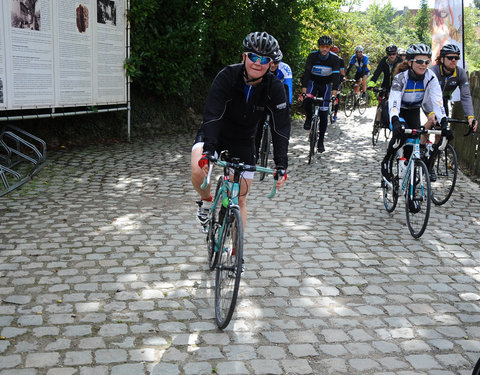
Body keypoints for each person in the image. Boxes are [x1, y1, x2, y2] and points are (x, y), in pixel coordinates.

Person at [191, 31, 289, 233]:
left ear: (271, 63)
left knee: (241, 199)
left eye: (264, 59)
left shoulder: (274, 87)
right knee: (198, 169)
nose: (257, 63)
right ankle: (206, 201)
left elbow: (280, 128)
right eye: (253, 56)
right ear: (244, 56)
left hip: (245, 139)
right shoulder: (227, 76)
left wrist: (281, 164)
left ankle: (236, 254)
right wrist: (209, 150)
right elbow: (213, 113)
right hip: (216, 133)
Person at [380, 43, 448, 195]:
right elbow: (395, 101)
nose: (423, 65)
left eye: (426, 61)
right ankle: (387, 160)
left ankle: (410, 187)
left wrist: (444, 121)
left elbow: (437, 101)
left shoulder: (431, 77)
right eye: (419, 61)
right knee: (401, 134)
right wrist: (395, 120)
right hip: (397, 110)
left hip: (413, 111)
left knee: (413, 146)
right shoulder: (400, 78)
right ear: (410, 62)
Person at [300, 35, 340, 153]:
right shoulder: (312, 56)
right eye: (322, 46)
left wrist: (334, 95)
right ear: (319, 47)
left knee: (323, 114)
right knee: (307, 100)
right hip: (313, 81)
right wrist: (303, 92)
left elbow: (336, 78)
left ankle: (321, 140)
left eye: (327, 47)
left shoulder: (334, 59)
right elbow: (306, 74)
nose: (324, 49)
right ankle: (308, 117)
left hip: (326, 85)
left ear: (330, 48)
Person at [424, 43, 477, 133]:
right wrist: (431, 113)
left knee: (442, 129)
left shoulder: (460, 73)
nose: (453, 60)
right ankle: (422, 145)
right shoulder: (433, 71)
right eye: (450, 57)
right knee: (432, 120)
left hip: (442, 101)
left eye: (456, 58)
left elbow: (466, 96)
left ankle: (437, 147)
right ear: (442, 59)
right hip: (428, 99)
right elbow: (426, 96)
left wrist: (470, 116)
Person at [329, 45, 344, 123]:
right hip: (328, 78)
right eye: (332, 52)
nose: (334, 54)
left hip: (337, 79)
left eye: (336, 53)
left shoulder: (340, 60)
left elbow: (342, 73)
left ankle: (335, 113)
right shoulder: (327, 59)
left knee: (336, 96)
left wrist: (339, 83)